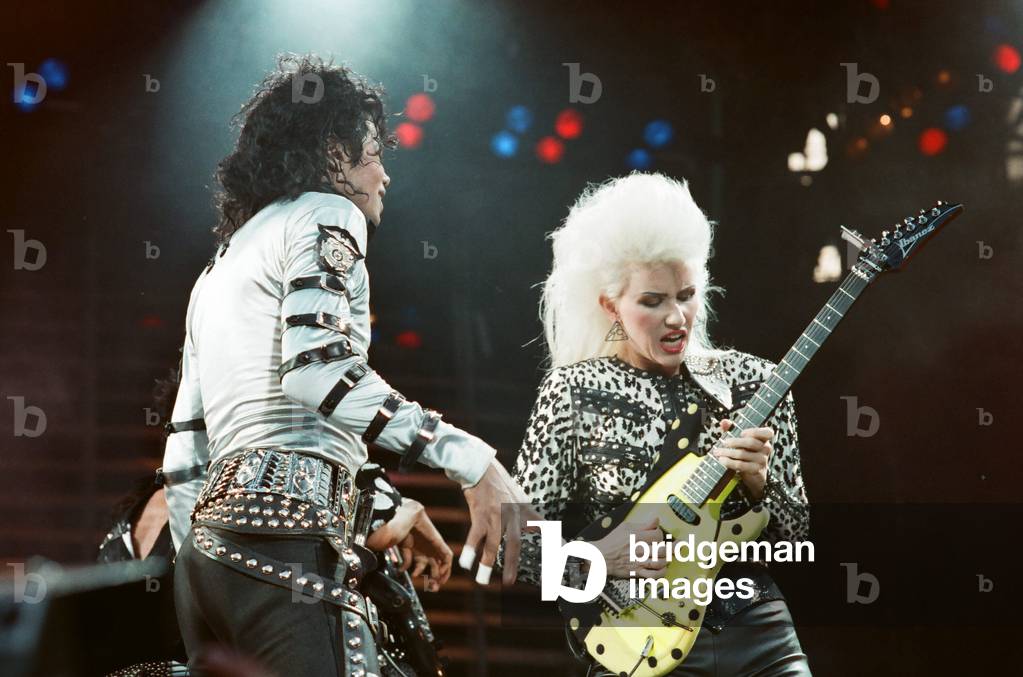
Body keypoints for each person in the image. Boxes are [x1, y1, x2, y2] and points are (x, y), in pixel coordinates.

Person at [160, 53, 536, 676]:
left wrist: (375, 510)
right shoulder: (328, 211)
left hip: (207, 569)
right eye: (373, 153)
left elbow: (183, 460)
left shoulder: (217, 269)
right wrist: (474, 462)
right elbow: (317, 373)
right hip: (286, 553)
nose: (384, 175)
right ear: (333, 151)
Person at [507, 173, 811, 676]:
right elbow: (514, 550)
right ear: (612, 307)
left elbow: (796, 538)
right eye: (653, 301)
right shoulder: (573, 391)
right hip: (638, 640)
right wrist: (598, 557)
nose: (677, 317)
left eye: (687, 295)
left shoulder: (755, 379)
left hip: (757, 628)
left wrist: (760, 485)